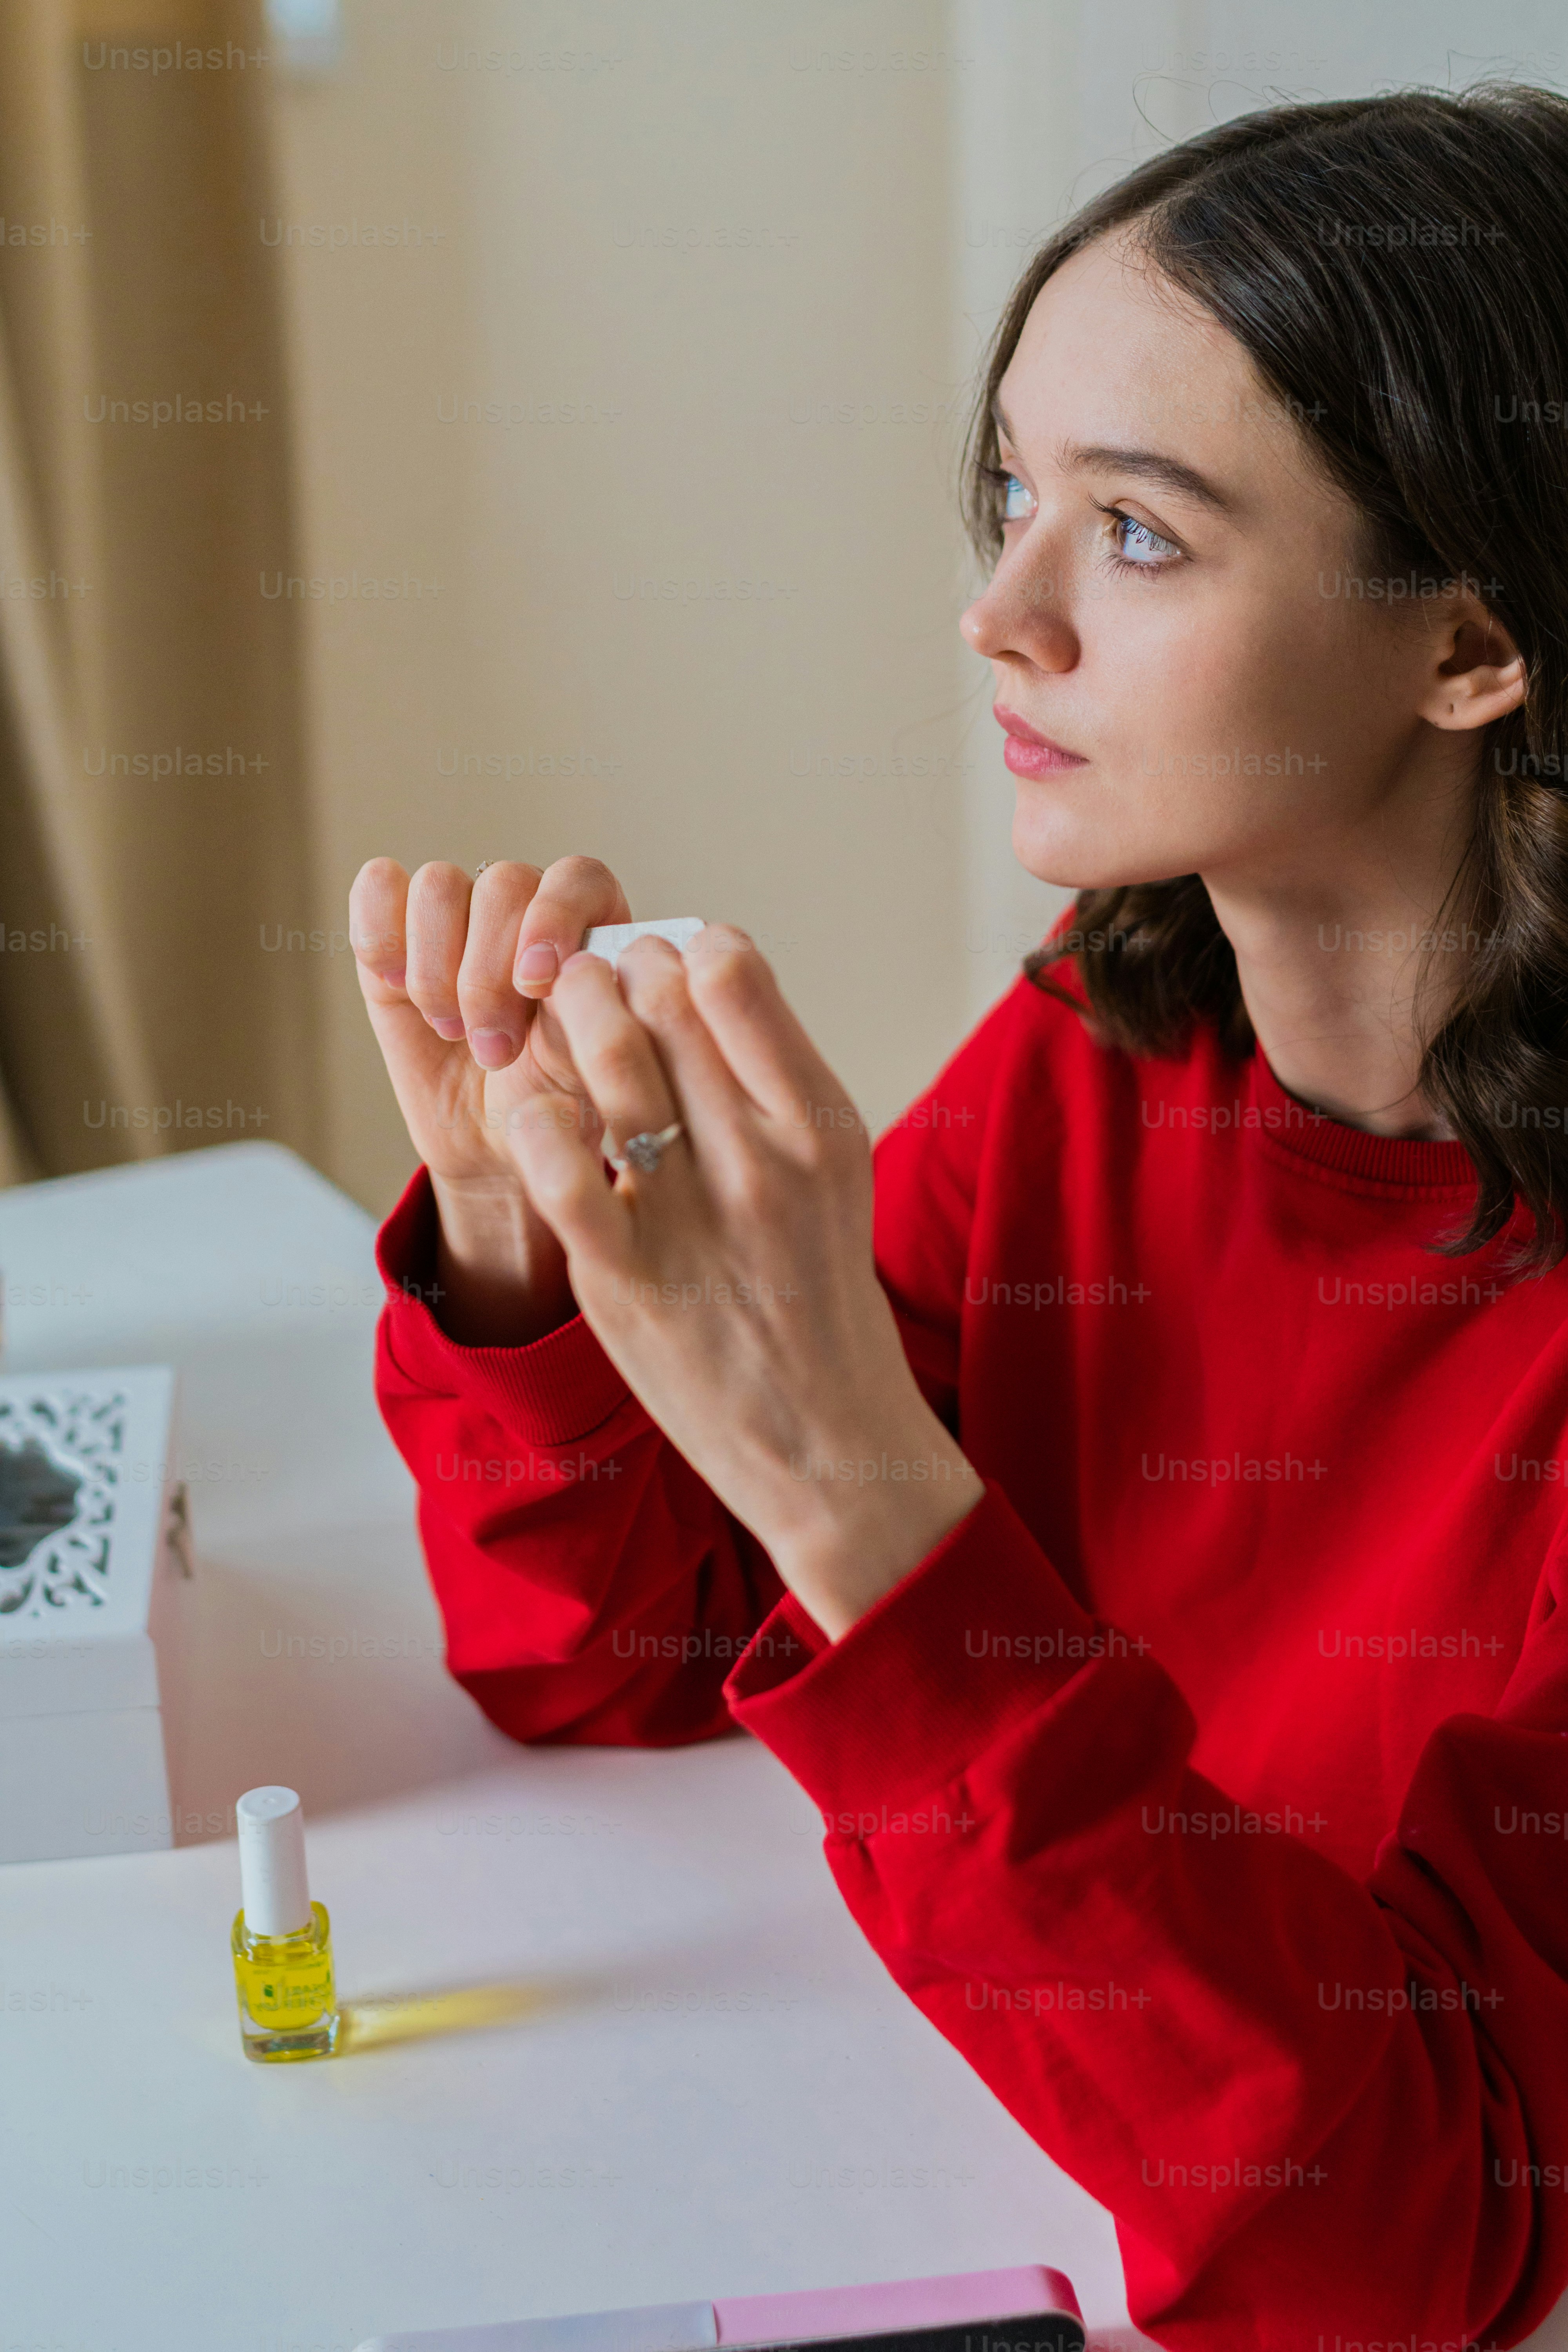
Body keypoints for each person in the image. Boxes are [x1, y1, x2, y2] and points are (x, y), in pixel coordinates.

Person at [351, 87, 1568, 2352]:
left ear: (1469, 649)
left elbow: (1406, 2242)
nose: (1001, 615)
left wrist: (846, 1463)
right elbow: (626, 1654)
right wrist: (541, 1263)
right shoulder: (1098, 1063)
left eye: (1139, 537)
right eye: (1019, 489)